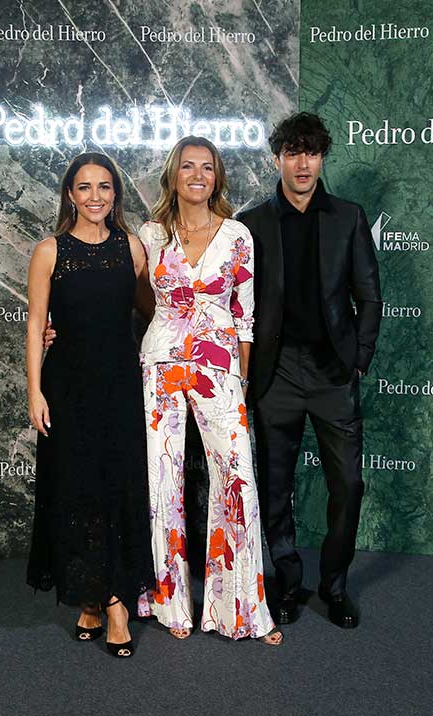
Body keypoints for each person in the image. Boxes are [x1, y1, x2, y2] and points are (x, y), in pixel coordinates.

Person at [236, 112, 382, 629]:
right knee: (275, 486)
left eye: (312, 152)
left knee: (349, 484)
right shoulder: (250, 224)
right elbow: (233, 303)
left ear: (322, 157)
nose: (302, 163)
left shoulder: (348, 216)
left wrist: (357, 361)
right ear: (277, 158)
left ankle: (335, 586)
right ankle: (288, 581)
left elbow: (369, 294)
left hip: (332, 372)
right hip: (275, 374)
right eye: (293, 152)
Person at [136, 136, 282, 645]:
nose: (198, 175)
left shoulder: (238, 234)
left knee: (236, 475)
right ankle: (168, 601)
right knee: (161, 482)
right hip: (160, 363)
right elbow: (132, 298)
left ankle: (240, 609)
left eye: (208, 167)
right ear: (173, 175)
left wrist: (240, 380)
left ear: (217, 177)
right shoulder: (151, 235)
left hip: (219, 369)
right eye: (188, 166)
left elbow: (245, 317)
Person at [25, 152, 154, 658]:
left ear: (115, 195)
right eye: (84, 187)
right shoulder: (49, 251)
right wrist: (34, 390)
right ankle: (90, 599)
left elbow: (153, 313)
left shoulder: (134, 249)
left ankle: (116, 601)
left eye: (104, 187)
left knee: (116, 489)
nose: (95, 196)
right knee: (77, 491)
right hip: (68, 390)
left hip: (121, 388)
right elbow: (37, 325)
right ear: (69, 194)